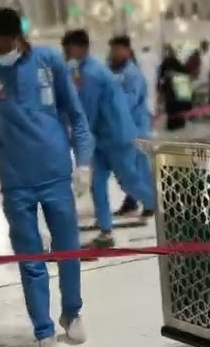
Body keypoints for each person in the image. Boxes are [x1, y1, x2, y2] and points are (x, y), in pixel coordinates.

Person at [0, 8, 94, 347]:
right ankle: (43, 332)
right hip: (15, 179)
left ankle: (72, 312)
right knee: (29, 257)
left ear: (18, 37)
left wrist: (83, 162)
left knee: (68, 249)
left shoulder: (49, 62)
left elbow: (75, 114)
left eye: (2, 44)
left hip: (54, 171)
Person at [60, 29, 154, 248]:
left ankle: (159, 206)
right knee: (98, 184)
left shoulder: (92, 73)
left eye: (68, 49)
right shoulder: (86, 70)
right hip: (102, 138)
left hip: (118, 136)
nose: (65, 53)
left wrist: (76, 139)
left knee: (129, 181)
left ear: (80, 49)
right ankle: (105, 231)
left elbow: (88, 112)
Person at [108, 35, 156, 219]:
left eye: (117, 50)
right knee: (129, 169)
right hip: (123, 128)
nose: (113, 54)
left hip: (136, 129)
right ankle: (132, 201)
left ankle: (150, 203)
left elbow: (128, 102)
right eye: (112, 50)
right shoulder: (115, 71)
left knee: (138, 169)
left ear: (127, 51)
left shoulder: (132, 74)